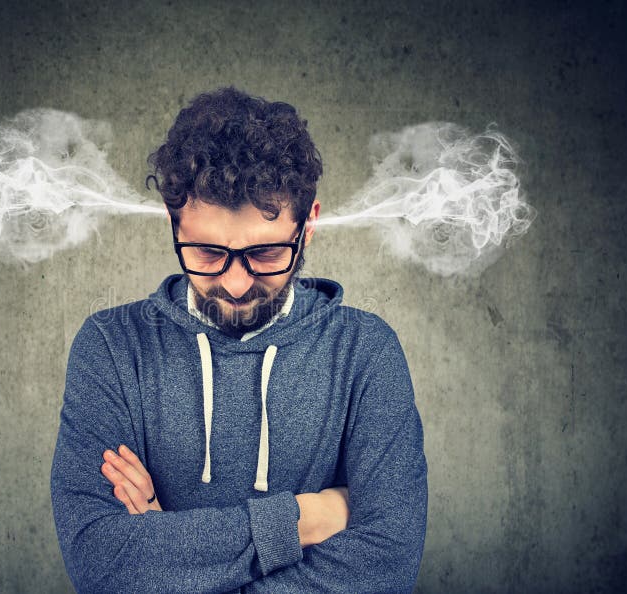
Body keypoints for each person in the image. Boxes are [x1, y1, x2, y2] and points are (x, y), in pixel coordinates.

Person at [50, 87, 428, 593]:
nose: (234, 284)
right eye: (207, 253)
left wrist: (169, 554)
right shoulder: (112, 348)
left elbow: (387, 567)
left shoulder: (365, 353)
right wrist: (305, 518)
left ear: (308, 225)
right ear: (172, 222)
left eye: (266, 254)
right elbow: (103, 565)